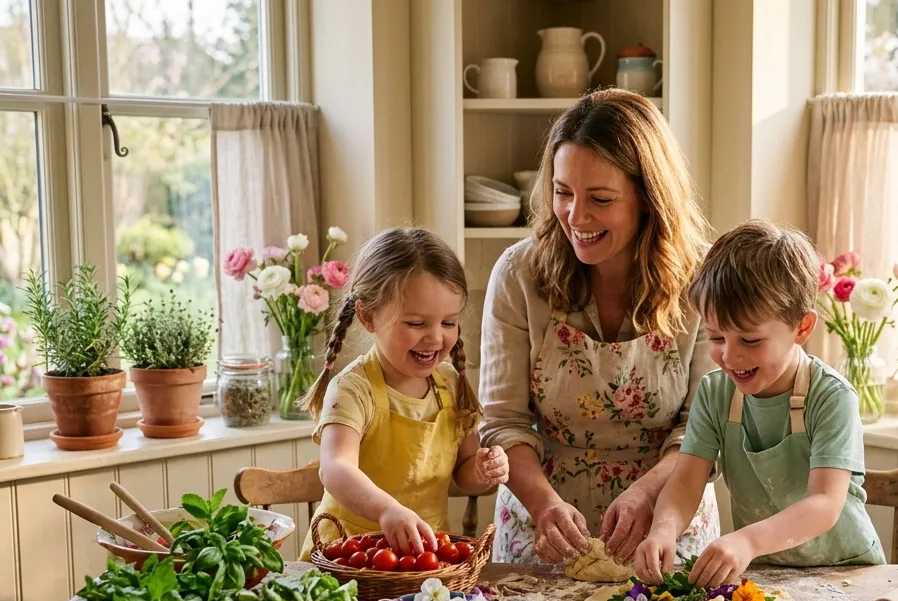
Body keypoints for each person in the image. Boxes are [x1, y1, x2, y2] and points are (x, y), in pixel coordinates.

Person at [479, 88, 720, 565]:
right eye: (563, 193)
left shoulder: (701, 282)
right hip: (541, 525)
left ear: (649, 198)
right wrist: (545, 506)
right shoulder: (519, 274)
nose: (576, 216)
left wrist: (647, 496)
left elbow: (702, 432)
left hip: (665, 526)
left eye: (601, 198)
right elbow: (504, 422)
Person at [635, 220, 885, 587]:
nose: (730, 356)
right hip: (767, 576)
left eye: (750, 341)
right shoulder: (715, 393)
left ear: (802, 327)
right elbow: (687, 481)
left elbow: (824, 505)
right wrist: (663, 530)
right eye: (716, 336)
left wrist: (747, 540)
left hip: (847, 574)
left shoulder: (832, 397)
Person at [298, 227, 509, 560]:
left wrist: (482, 471)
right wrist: (385, 511)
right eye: (416, 323)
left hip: (423, 558)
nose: (435, 338)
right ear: (368, 316)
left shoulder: (450, 386)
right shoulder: (354, 388)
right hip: (348, 558)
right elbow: (336, 468)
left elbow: (465, 472)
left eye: (448, 322)